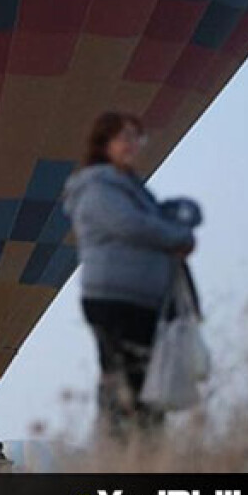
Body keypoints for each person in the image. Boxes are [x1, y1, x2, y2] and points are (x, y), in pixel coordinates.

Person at [63, 112, 197, 439]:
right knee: (126, 377)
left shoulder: (131, 188)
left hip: (143, 301)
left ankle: (145, 448)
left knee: (148, 377)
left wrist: (180, 220)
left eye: (137, 137)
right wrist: (177, 237)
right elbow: (132, 225)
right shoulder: (96, 188)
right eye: (125, 137)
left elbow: (161, 217)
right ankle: (122, 449)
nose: (133, 145)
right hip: (116, 299)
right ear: (104, 143)